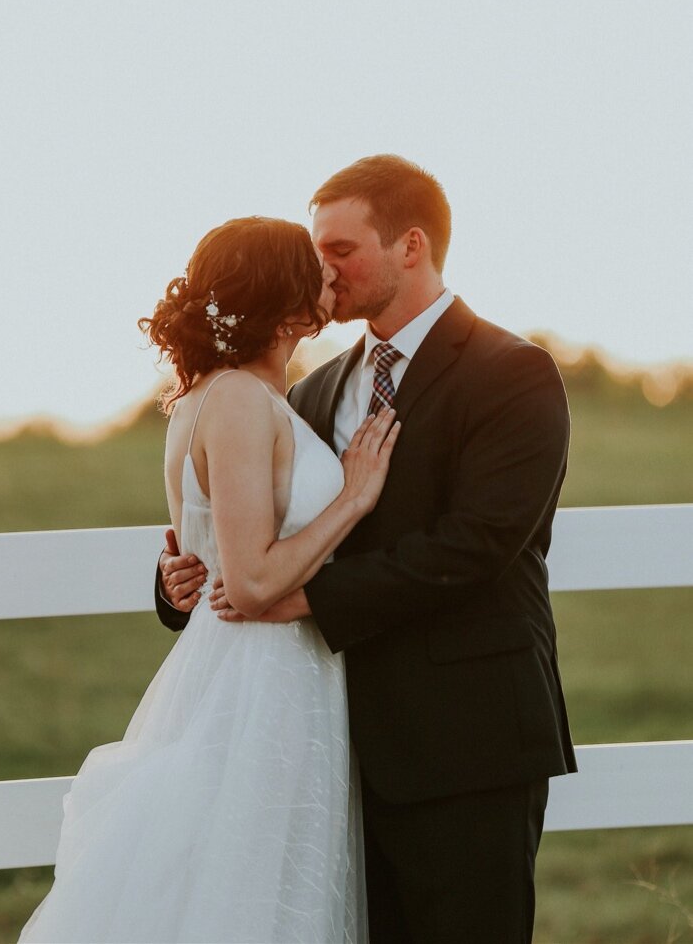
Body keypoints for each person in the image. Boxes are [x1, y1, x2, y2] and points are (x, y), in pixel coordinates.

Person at [158, 155, 576, 943]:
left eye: (341, 250)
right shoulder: (308, 392)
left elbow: (478, 544)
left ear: (410, 246)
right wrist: (185, 576)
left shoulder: (512, 374)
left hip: (465, 743)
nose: (323, 270)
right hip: (333, 744)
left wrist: (303, 597)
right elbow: (262, 533)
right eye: (317, 252)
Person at [20, 216, 400, 943]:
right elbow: (253, 581)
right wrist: (354, 497)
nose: (329, 274)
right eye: (313, 266)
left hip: (278, 675)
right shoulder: (233, 400)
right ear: (284, 302)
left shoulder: (233, 396)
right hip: (257, 681)